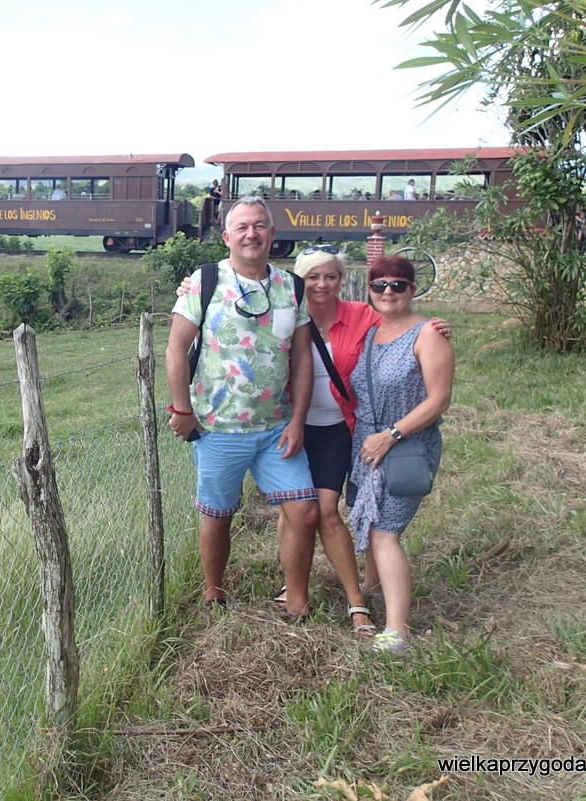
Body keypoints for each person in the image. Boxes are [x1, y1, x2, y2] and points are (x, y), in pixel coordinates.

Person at [178, 247, 451, 636]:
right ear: (299, 282)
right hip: (289, 423)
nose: (322, 284)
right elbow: (224, 317)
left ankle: (358, 599)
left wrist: (433, 327)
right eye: (313, 277)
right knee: (293, 508)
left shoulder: (364, 316)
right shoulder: (281, 306)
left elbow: (401, 323)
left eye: (330, 276)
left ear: (342, 280)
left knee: (324, 510)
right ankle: (295, 587)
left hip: (339, 427)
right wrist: (189, 288)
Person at [165, 197, 319, 618]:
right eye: (243, 227)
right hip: (218, 428)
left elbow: (302, 358)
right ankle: (213, 593)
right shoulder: (205, 281)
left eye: (260, 225)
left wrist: (298, 420)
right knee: (218, 515)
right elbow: (176, 348)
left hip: (277, 428)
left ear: (272, 233)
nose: (252, 234)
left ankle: (297, 600)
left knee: (304, 511)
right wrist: (183, 410)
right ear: (227, 237)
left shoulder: (292, 287)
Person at [347, 255, 454, 653]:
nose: (388, 292)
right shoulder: (371, 332)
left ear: (412, 289)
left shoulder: (428, 334)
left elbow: (439, 400)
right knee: (370, 521)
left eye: (398, 284)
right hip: (367, 445)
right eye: (380, 285)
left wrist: (391, 435)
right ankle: (375, 592)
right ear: (370, 290)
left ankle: (397, 632)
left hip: (405, 445)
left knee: (384, 533)